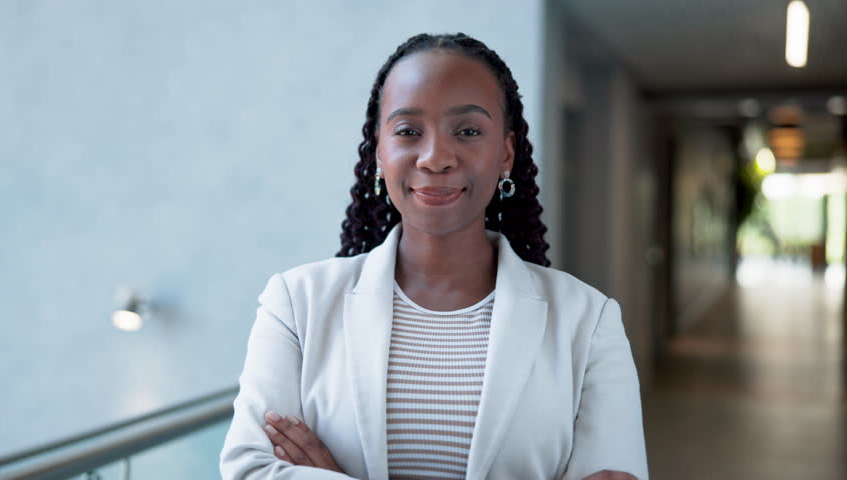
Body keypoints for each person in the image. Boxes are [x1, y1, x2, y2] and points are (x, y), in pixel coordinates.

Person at [220, 33, 648, 480]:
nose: (436, 157)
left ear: (506, 153)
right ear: (379, 153)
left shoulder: (590, 320)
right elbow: (249, 469)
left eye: (467, 131)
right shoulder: (295, 302)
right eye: (408, 131)